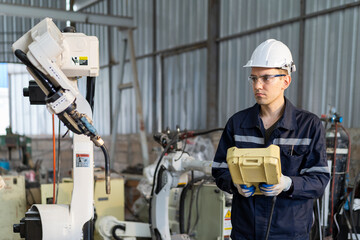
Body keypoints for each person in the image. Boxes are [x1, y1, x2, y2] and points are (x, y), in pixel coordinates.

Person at [212, 39, 330, 240]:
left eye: (266, 78)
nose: (258, 85)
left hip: (289, 233)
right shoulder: (237, 123)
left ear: (286, 81)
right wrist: (235, 184)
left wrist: (288, 183)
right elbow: (219, 168)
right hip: (246, 232)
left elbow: (319, 179)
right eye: (254, 78)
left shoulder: (308, 126)